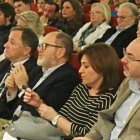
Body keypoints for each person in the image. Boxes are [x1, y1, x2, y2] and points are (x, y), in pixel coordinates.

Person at [3, 43, 121, 140]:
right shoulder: (82, 88)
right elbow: (60, 118)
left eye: (86, 66)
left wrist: (56, 118)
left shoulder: (108, 99)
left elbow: (87, 134)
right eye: (80, 66)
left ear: (102, 67)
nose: (80, 71)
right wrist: (39, 104)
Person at [73, 37, 140, 140]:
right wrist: (89, 138)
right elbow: (105, 117)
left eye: (130, 56)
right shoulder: (128, 82)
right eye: (125, 53)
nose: (123, 60)